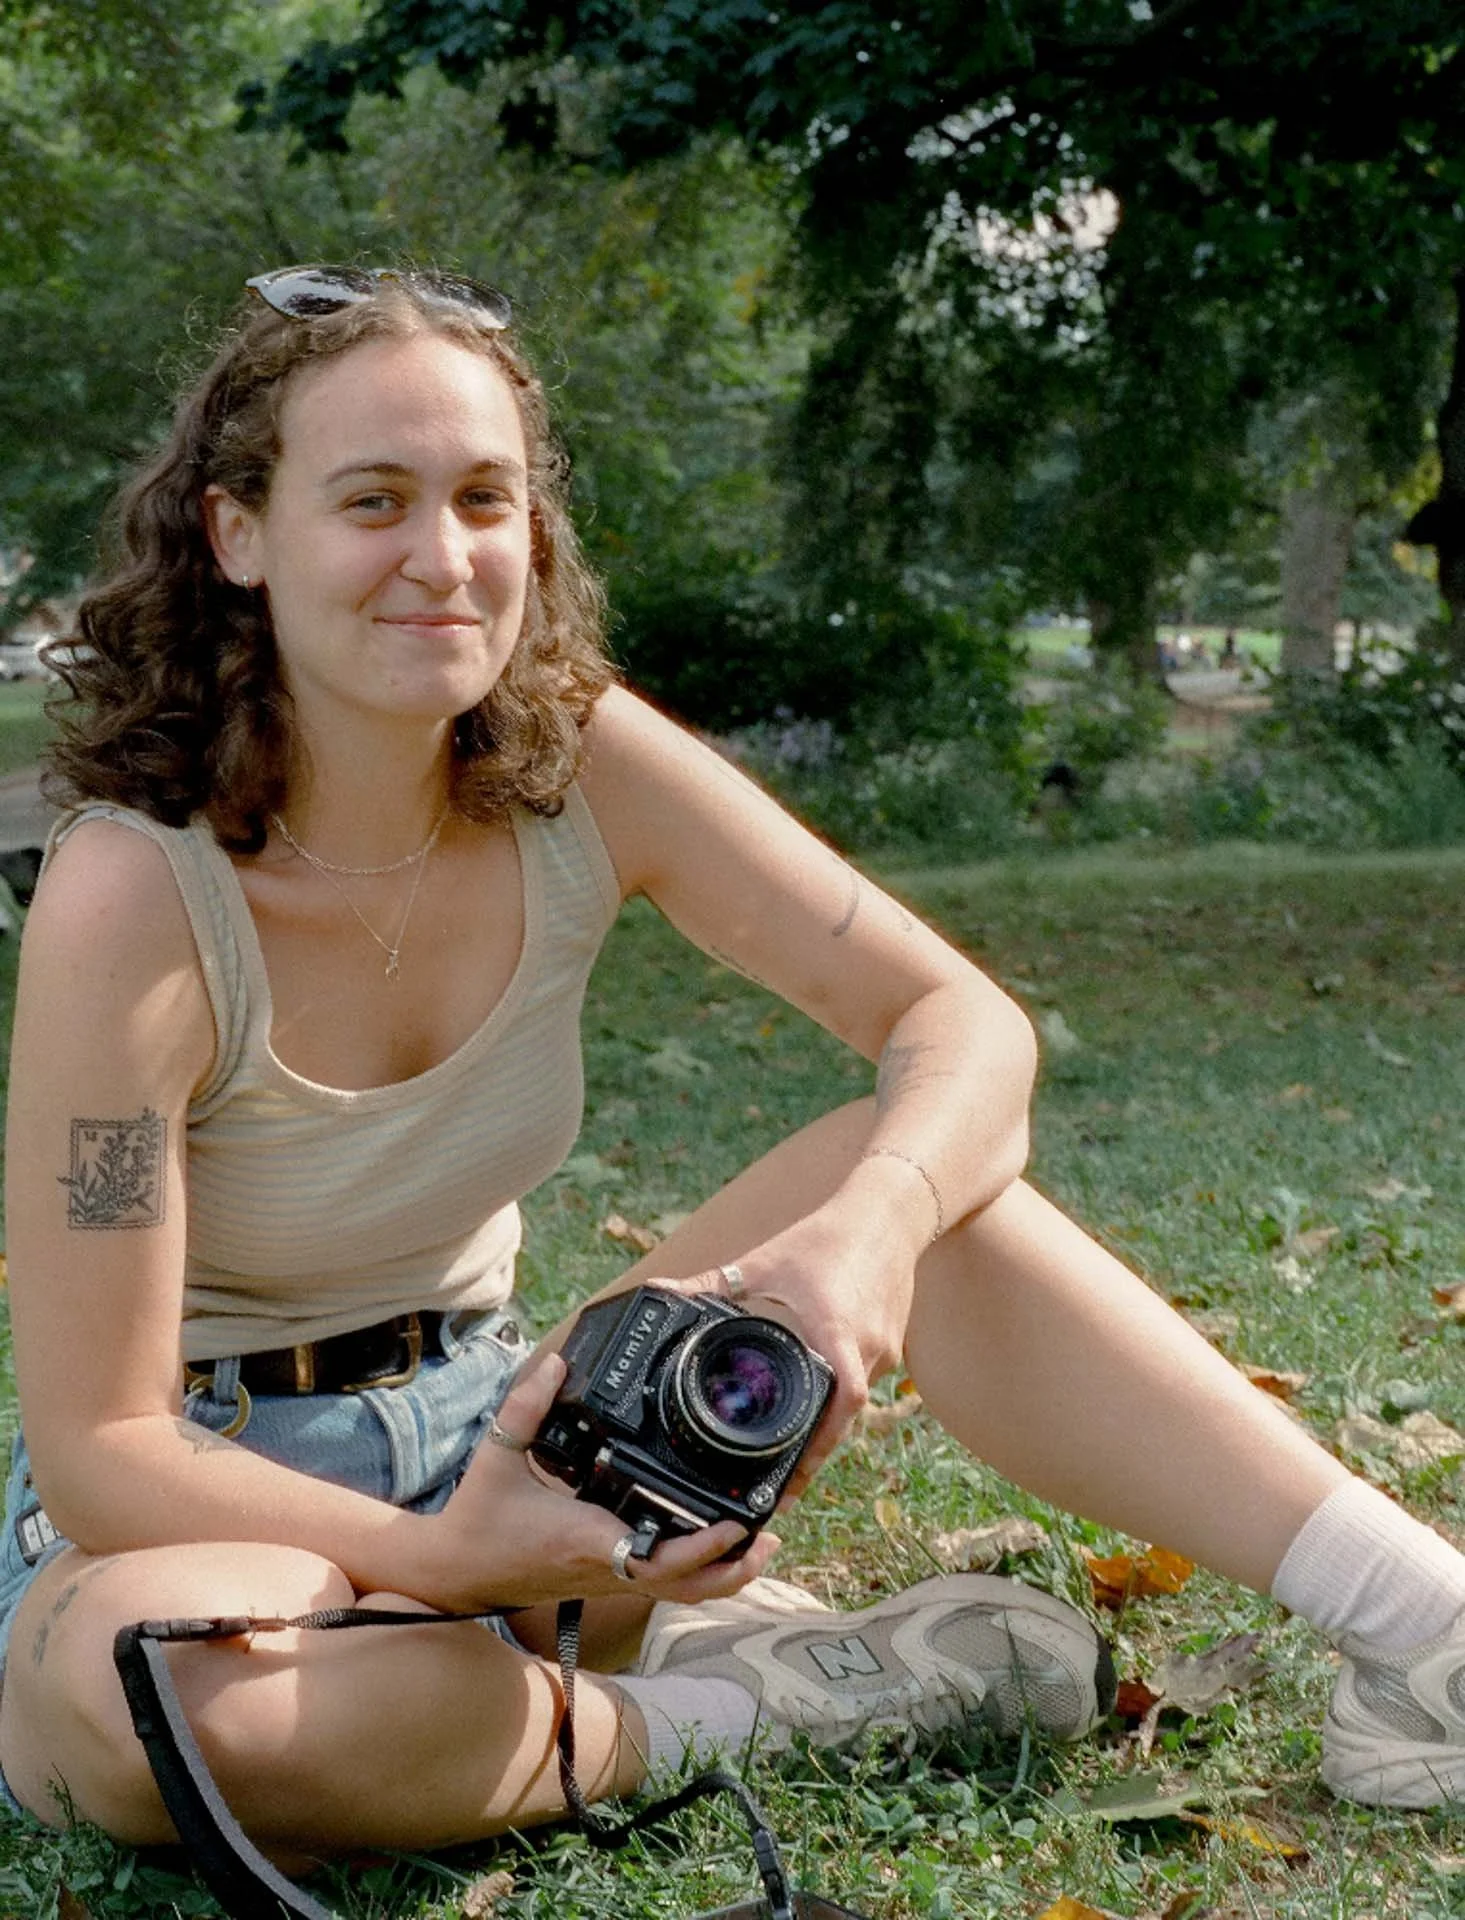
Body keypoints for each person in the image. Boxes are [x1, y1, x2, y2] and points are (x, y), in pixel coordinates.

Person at [0, 267, 1462, 1872]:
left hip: (531, 1434)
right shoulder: (133, 897)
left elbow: (960, 1021)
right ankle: (760, 1705)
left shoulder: (579, 764)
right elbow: (104, 1447)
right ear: (238, 536)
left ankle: (1425, 1636)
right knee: (171, 1703)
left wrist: (871, 1236)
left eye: (487, 498)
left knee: (915, 1160)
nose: (443, 557)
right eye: (372, 500)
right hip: (225, 1514)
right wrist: (458, 1564)